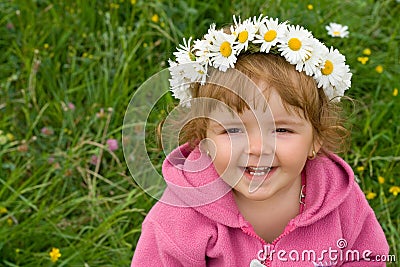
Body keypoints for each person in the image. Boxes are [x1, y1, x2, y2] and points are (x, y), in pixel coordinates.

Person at [131, 15, 389, 266]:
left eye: (281, 131)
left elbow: (367, 257)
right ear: (204, 139)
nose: (257, 149)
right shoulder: (179, 217)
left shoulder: (338, 199)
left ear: (316, 139)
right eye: (232, 131)